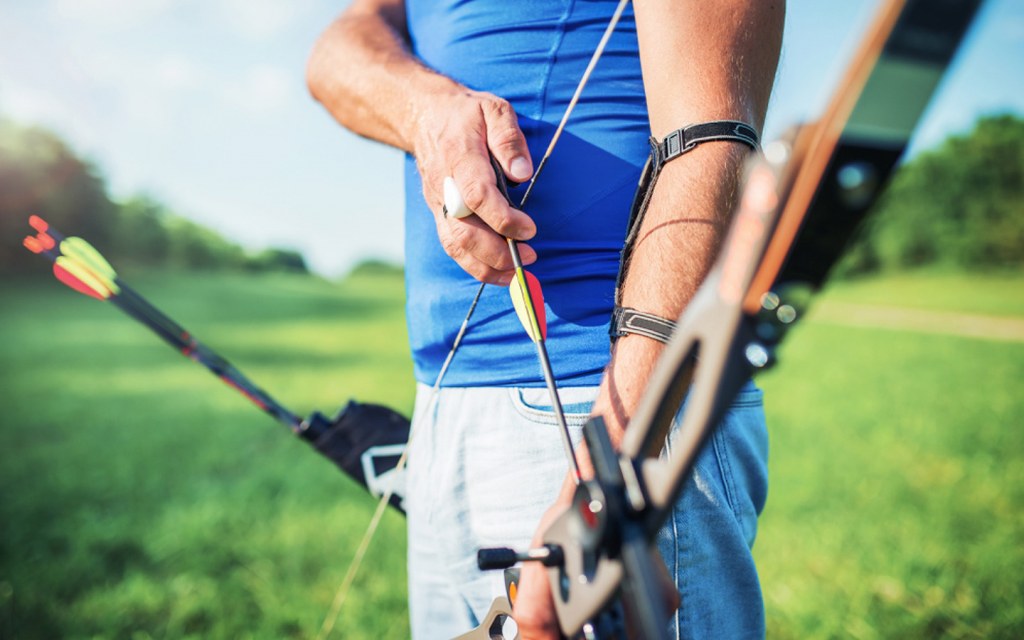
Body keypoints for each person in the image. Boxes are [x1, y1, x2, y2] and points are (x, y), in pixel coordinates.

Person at [306, 1, 784, 638]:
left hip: (613, 402)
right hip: (448, 400)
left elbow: (714, 139)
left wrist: (601, 482)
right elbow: (338, 49)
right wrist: (429, 111)